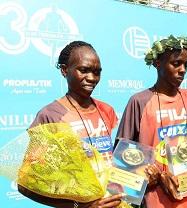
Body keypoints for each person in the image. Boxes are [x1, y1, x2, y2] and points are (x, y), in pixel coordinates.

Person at [18, 41, 123, 208]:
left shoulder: (106, 110)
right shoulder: (50, 115)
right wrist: (79, 206)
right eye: (84, 70)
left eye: (97, 72)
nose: (92, 78)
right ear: (64, 70)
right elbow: (25, 185)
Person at [116, 35, 187, 208]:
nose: (182, 69)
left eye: (186, 64)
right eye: (176, 64)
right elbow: (122, 154)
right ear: (157, 63)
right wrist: (158, 176)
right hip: (158, 200)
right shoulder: (139, 101)